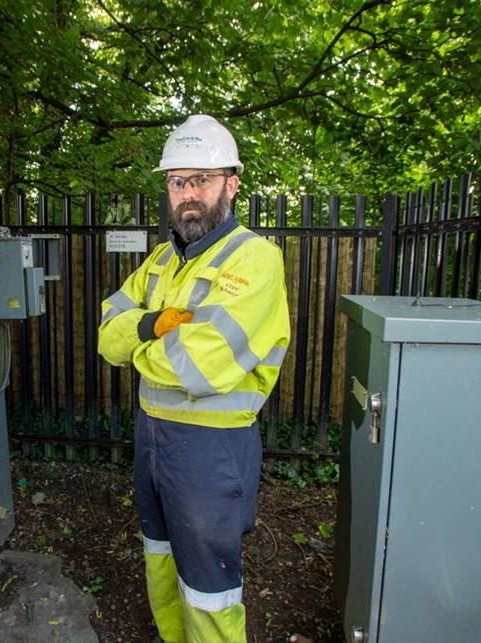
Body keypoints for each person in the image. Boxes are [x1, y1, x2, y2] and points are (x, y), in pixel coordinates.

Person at [97, 114, 291, 643]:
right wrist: (150, 326)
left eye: (201, 179)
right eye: (177, 181)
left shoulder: (255, 259)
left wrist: (135, 341)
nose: (188, 194)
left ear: (231, 183)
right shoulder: (161, 260)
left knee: (209, 586)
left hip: (212, 450)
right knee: (159, 560)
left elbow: (200, 365)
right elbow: (104, 331)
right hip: (152, 441)